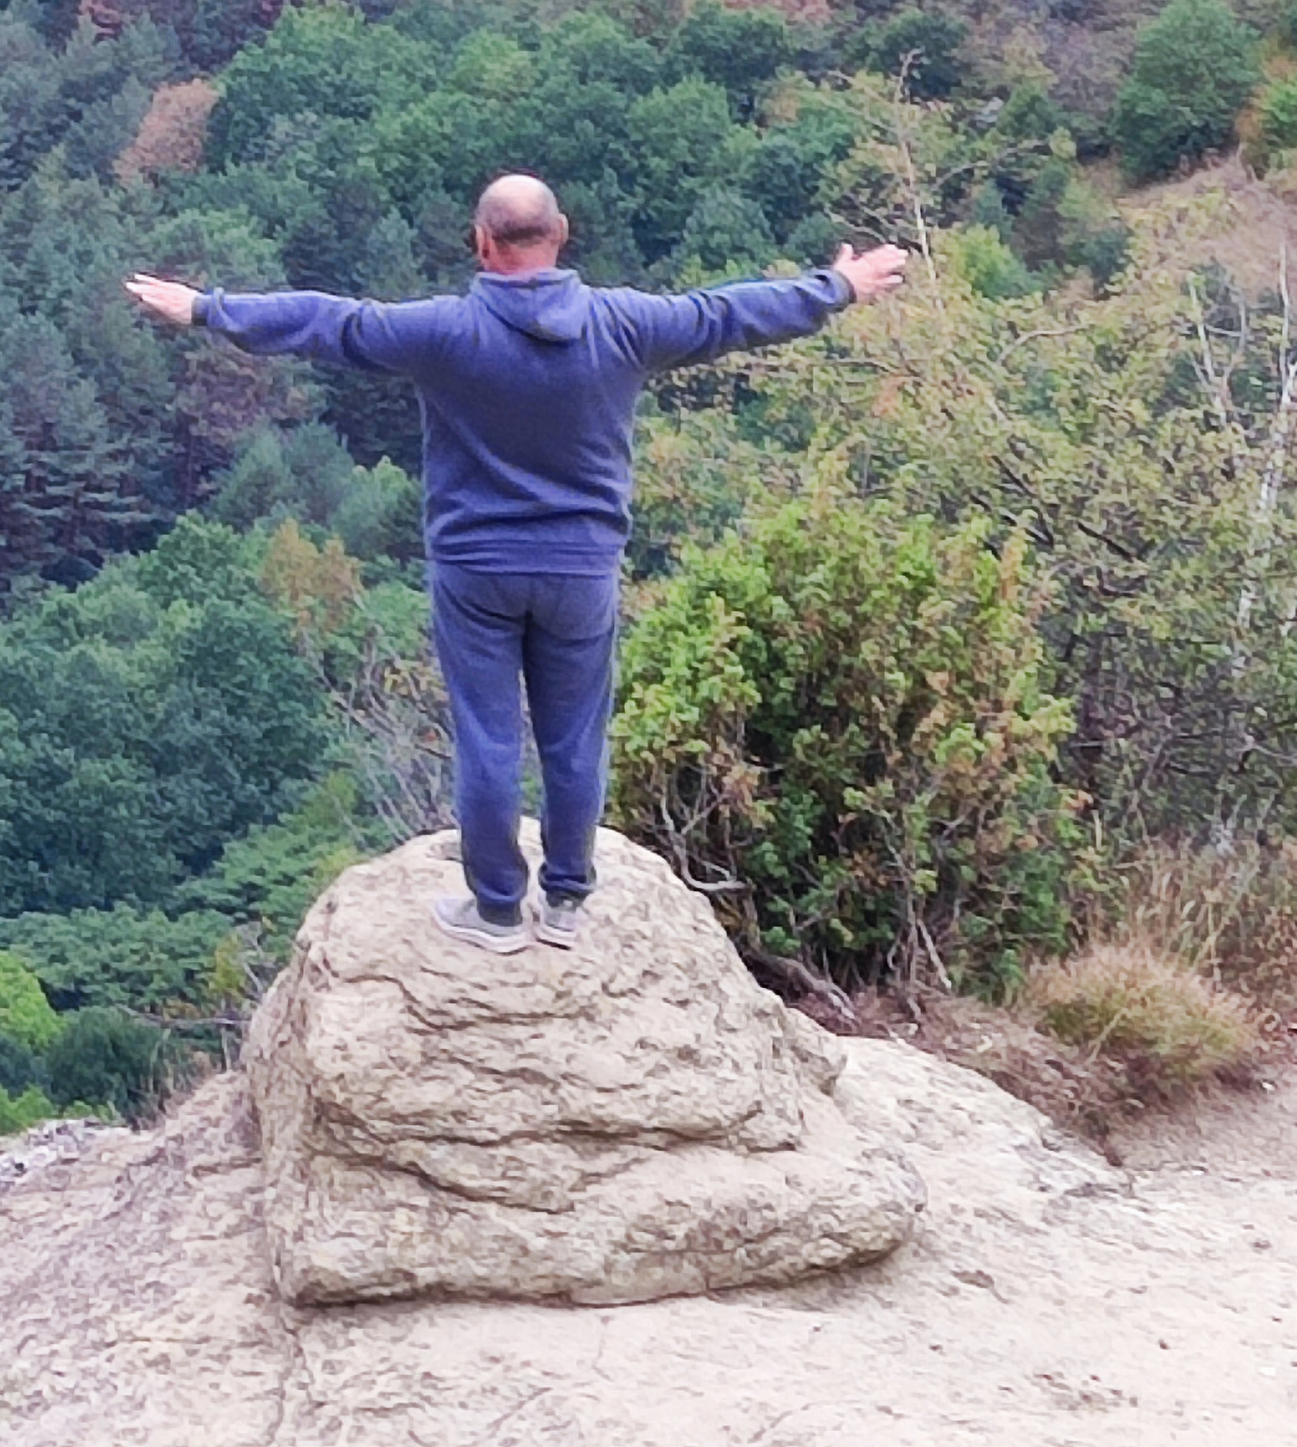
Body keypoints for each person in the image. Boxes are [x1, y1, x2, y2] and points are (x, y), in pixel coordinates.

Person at [125, 176, 909, 955]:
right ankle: (566, 900)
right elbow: (731, 314)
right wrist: (837, 285)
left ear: (482, 243)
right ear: (560, 232)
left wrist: (205, 307)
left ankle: (497, 909)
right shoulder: (625, 324)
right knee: (575, 740)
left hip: (476, 569)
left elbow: (332, 323)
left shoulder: (445, 333)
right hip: (581, 569)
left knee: (488, 740)